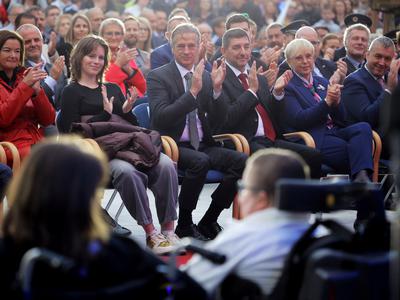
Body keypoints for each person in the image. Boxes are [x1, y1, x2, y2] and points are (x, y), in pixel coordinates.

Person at [0, 136, 207, 300]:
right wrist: (162, 290)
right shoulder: (117, 252)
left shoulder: (11, 258)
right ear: (90, 197)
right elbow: (185, 289)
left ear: (24, 190)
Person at [58, 36, 180, 254]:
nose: (96, 61)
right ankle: (151, 233)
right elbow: (70, 133)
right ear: (79, 58)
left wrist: (126, 109)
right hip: (99, 153)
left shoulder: (112, 88)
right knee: (127, 172)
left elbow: (130, 126)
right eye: (91, 56)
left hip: (128, 145)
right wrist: (104, 114)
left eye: (100, 57)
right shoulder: (71, 91)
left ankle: (169, 230)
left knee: (166, 164)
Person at [147, 23, 247, 241]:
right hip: (171, 144)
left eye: (191, 46)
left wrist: (218, 90)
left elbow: (222, 121)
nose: (186, 51)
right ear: (172, 48)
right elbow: (161, 116)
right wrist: (192, 92)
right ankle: (184, 223)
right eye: (181, 46)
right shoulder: (158, 76)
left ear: (199, 48)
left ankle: (209, 219)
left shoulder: (208, 75)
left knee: (242, 160)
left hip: (204, 143)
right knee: (199, 161)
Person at [184, 148, 312, 297]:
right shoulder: (321, 234)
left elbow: (184, 284)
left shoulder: (241, 238)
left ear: (261, 199)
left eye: (243, 188)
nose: (240, 197)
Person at [217, 28, 322, 179]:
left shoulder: (258, 78)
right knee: (278, 166)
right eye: (236, 47)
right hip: (244, 141)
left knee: (313, 156)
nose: (243, 52)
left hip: (271, 139)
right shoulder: (219, 78)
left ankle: (306, 202)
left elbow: (274, 114)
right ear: (223, 50)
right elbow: (227, 119)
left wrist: (278, 93)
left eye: (246, 47)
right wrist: (251, 92)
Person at [281, 38, 373, 181]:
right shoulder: (287, 86)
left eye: (308, 56)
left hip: (334, 131)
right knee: (353, 150)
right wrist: (326, 102)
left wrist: (336, 102)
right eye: (299, 58)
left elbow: (342, 119)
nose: (305, 61)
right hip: (314, 136)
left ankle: (361, 176)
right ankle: (361, 181)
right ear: (289, 62)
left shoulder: (322, 81)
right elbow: (300, 119)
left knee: (363, 128)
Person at [0, 30, 55, 160]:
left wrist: (37, 93)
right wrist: (25, 86)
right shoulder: (25, 80)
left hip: (36, 142)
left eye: (17, 51)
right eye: (7, 50)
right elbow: (3, 119)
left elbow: (48, 120)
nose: (13, 55)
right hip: (9, 147)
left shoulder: (23, 76)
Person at [342, 36, 400, 157]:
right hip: (373, 141)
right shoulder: (354, 81)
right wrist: (389, 90)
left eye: (387, 58)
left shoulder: (394, 78)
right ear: (367, 55)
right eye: (378, 56)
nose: (382, 63)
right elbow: (367, 118)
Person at [17, 24, 67, 111]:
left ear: (42, 42)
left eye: (36, 40)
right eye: (27, 42)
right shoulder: (19, 71)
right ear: (19, 46)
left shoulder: (55, 68)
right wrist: (51, 79)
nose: (33, 44)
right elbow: (31, 102)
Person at [100, 18, 146, 98]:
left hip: (131, 102)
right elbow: (105, 86)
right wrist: (118, 64)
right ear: (102, 36)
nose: (114, 37)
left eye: (117, 33)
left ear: (123, 36)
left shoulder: (125, 54)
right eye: (109, 33)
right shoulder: (97, 56)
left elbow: (143, 88)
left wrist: (128, 69)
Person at [56, 14, 91, 78]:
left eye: (85, 26)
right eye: (78, 26)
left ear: (89, 29)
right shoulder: (63, 48)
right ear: (72, 29)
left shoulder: (94, 48)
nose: (81, 29)